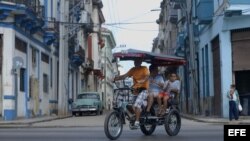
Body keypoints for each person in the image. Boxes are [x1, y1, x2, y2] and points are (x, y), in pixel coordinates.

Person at [114, 58, 149, 129]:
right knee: (129, 105)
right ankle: (135, 116)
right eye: (135, 61)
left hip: (143, 90)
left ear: (141, 61)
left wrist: (142, 80)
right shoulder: (133, 69)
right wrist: (115, 78)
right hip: (135, 90)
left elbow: (147, 76)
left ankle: (137, 122)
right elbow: (124, 76)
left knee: (136, 105)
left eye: (138, 61)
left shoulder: (144, 68)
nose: (136, 62)